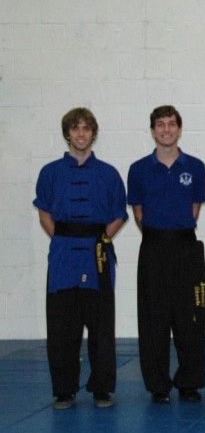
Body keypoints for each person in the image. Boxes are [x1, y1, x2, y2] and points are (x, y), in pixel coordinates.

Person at [34, 108, 127, 410]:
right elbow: (45, 213)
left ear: (93, 133)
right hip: (63, 257)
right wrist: (63, 238)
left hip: (96, 256)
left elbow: (118, 215)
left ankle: (101, 388)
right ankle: (64, 390)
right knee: (62, 329)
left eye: (86, 128)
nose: (81, 134)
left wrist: (100, 241)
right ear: (68, 133)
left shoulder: (109, 173)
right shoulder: (50, 172)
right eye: (76, 129)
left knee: (101, 328)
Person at [127, 105, 205, 404]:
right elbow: (138, 213)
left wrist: (176, 231)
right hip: (153, 248)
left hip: (186, 247)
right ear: (152, 130)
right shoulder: (138, 169)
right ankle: (158, 385)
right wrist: (158, 234)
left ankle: (189, 382)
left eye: (171, 124)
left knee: (191, 317)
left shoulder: (195, 167)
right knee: (153, 319)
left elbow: (195, 209)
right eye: (160, 124)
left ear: (179, 128)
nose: (166, 129)